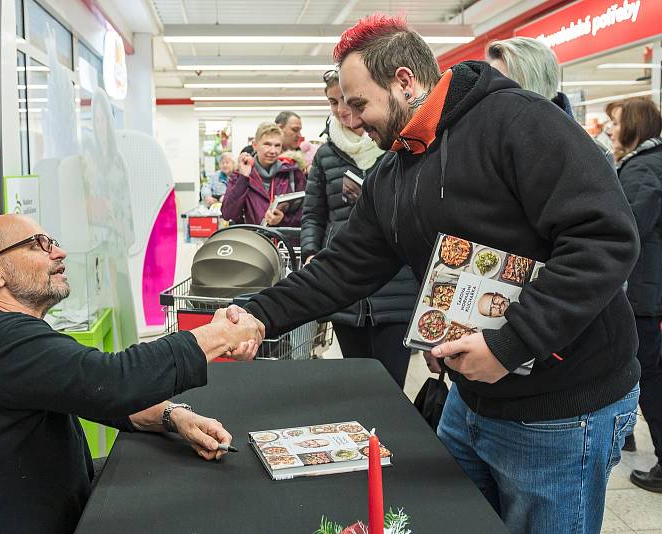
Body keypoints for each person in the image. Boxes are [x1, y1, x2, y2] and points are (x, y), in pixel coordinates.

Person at [242, 15, 641, 533]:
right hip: (468, 400)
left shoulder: (518, 122)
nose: (352, 119)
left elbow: (605, 238)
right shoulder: (395, 171)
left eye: (360, 103)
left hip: (560, 411)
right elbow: (342, 268)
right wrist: (252, 316)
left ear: (405, 80)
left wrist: (510, 342)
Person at [0, 214, 263, 533]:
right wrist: (220, 334)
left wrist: (172, 416)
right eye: (39, 244)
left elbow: (92, 394)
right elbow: (116, 381)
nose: (59, 252)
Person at [300, 68, 418, 388]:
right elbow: (313, 214)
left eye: (348, 99)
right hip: (346, 288)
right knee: (354, 383)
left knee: (390, 388)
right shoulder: (326, 155)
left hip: (397, 287)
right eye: (332, 101)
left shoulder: (397, 145)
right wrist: (311, 252)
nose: (341, 109)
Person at [606, 97, 662, 492]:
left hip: (644, 292)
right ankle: (628, 435)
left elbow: (626, 233)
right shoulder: (645, 164)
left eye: (617, 122)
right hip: (646, 288)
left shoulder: (642, 169)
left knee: (651, 372)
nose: (610, 129)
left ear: (635, 128)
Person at [485, 37, 613, 162]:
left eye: (502, 87)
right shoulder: (482, 147)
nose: (491, 97)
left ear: (533, 87)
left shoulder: (590, 155)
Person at [221, 122, 306, 227]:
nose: (273, 151)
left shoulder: (293, 174)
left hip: (283, 241)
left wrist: (283, 219)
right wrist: (243, 178)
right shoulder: (240, 175)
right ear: (255, 145)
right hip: (253, 241)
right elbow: (228, 214)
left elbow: (306, 215)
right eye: (267, 144)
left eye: (277, 145)